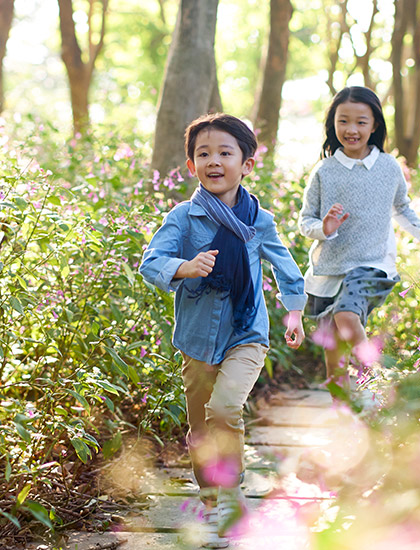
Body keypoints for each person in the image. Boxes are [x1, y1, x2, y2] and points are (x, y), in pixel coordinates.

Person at [139, 113, 306, 548]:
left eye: (225, 153)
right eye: (204, 154)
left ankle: (232, 492)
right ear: (191, 166)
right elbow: (150, 262)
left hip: (246, 332)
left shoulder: (259, 220)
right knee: (199, 425)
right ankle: (209, 491)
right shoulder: (183, 217)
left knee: (225, 408)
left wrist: (294, 313)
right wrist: (185, 267)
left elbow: (287, 270)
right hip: (196, 337)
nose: (214, 161)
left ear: (246, 164)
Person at [298, 86, 420, 394]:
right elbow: (304, 221)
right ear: (333, 124)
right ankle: (342, 410)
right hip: (330, 269)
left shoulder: (388, 167)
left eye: (361, 122)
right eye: (343, 121)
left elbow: (401, 206)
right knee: (333, 346)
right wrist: (325, 226)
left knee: (346, 315)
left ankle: (377, 383)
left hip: (372, 264)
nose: (351, 129)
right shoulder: (324, 171)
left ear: (375, 125)